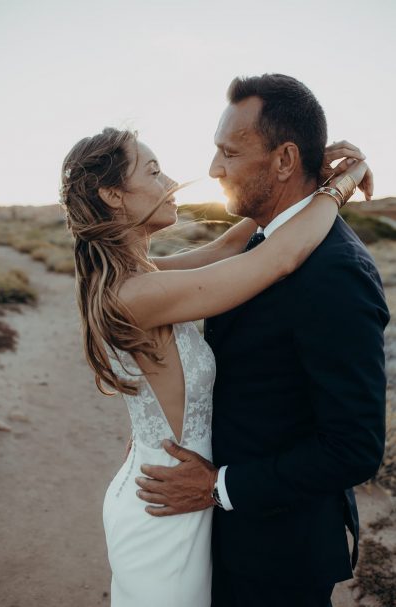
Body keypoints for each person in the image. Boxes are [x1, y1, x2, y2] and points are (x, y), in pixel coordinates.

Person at [60, 120, 371, 605]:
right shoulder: (137, 294)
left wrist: (299, 180)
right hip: (163, 508)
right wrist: (338, 186)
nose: (170, 183)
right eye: (154, 171)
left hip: (171, 487)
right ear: (113, 195)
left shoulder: (144, 275)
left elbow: (228, 247)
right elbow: (277, 259)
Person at [135, 74, 390, 607]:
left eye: (229, 152)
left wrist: (218, 487)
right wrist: (336, 185)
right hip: (217, 536)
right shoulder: (260, 241)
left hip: (278, 555)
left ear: (283, 160)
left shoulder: (334, 272)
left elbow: (354, 447)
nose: (212, 170)